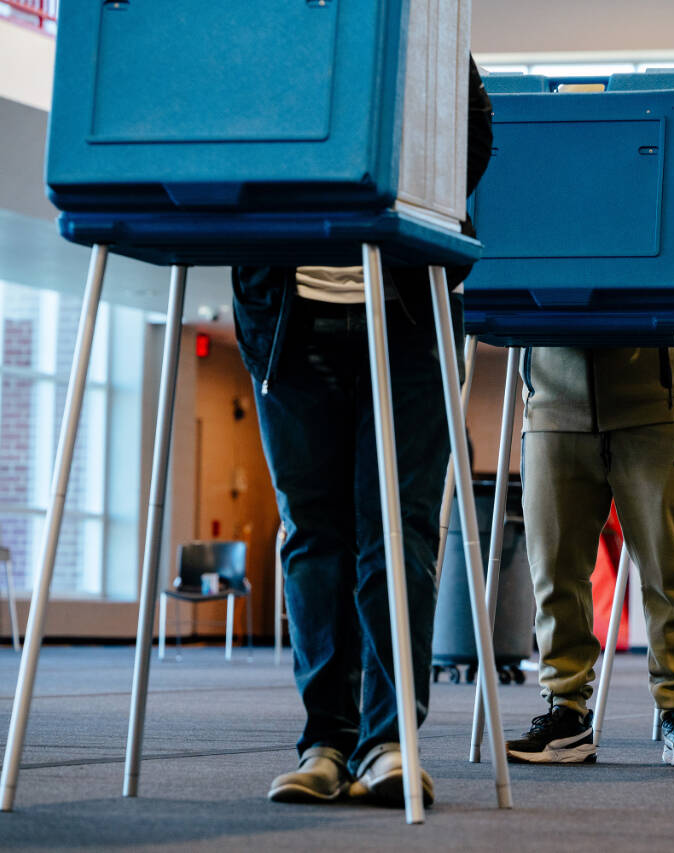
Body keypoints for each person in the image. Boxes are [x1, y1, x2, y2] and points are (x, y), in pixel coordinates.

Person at [234, 59, 493, 806]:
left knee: (398, 531)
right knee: (312, 532)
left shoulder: (419, 20)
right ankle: (326, 740)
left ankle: (389, 740)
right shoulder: (272, 29)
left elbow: (474, 132)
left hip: (408, 305)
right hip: (289, 316)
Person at [504, 345, 674, 767]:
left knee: (668, 572)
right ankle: (566, 711)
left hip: (653, 406)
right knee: (554, 573)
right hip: (553, 405)